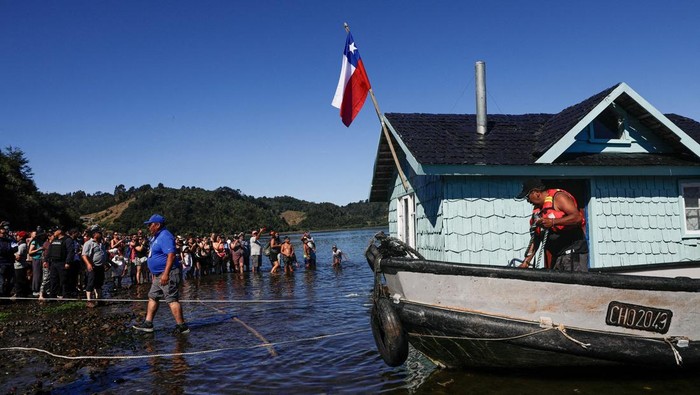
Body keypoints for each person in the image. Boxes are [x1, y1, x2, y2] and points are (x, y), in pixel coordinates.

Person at [133, 214, 190, 334]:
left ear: (157, 225)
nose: (149, 227)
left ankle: (182, 326)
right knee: (153, 296)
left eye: (150, 225)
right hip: (159, 274)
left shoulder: (165, 236)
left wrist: (165, 273)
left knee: (171, 299)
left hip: (167, 273)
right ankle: (148, 323)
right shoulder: (156, 237)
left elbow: (171, 255)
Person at [515, 178, 588, 271]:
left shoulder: (559, 198)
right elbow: (536, 238)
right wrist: (526, 262)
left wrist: (553, 222)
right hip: (557, 256)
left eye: (527, 197)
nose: (528, 201)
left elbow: (578, 218)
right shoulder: (538, 212)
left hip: (573, 253)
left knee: (573, 284)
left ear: (536, 192)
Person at [82, 226, 107, 307]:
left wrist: (106, 263)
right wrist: (89, 264)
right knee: (90, 283)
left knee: (99, 283)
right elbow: (84, 255)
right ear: (94, 234)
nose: (100, 234)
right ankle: (89, 300)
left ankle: (99, 299)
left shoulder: (101, 243)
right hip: (92, 266)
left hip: (100, 266)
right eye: (99, 233)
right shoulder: (88, 243)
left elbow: (103, 254)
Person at [46, 226, 74, 299]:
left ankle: (65, 296)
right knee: (53, 280)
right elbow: (50, 251)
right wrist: (46, 260)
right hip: (54, 263)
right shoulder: (54, 240)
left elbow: (70, 252)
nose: (53, 232)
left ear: (60, 231)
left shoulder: (67, 240)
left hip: (62, 262)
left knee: (64, 280)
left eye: (55, 231)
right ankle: (52, 296)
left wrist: (68, 262)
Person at [0, 221, 18, 298]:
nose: (6, 229)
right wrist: (9, 250)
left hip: (10, 263)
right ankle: (1, 297)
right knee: (2, 282)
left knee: (11, 281)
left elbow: (16, 248)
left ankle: (6, 295)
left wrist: (8, 250)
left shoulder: (10, 239)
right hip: (1, 263)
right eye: (4, 227)